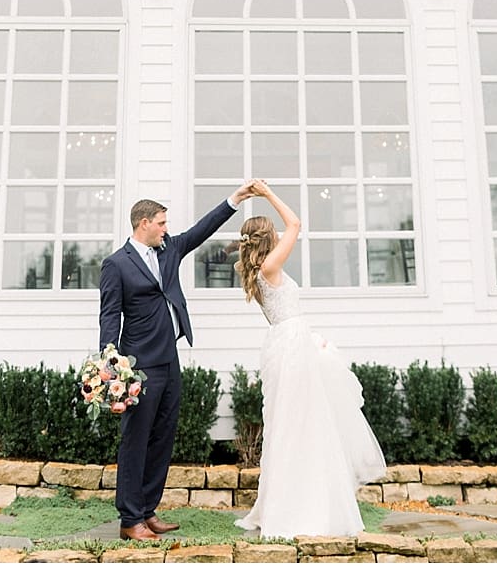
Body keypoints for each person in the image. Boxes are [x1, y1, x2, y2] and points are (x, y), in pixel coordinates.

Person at [99, 182, 258, 540]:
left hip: (169, 359)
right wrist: (110, 366)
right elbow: (109, 316)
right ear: (143, 224)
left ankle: (148, 511)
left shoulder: (169, 249)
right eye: (161, 223)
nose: (166, 229)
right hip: (137, 366)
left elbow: (201, 231)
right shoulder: (115, 265)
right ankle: (129, 520)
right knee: (135, 441)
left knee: (162, 438)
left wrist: (235, 200)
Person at [233, 180, 387, 538]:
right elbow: (297, 224)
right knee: (305, 423)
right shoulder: (270, 265)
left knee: (291, 424)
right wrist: (269, 194)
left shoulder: (254, 271)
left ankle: (293, 501)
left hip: (284, 343)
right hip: (291, 344)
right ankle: (304, 508)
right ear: (267, 238)